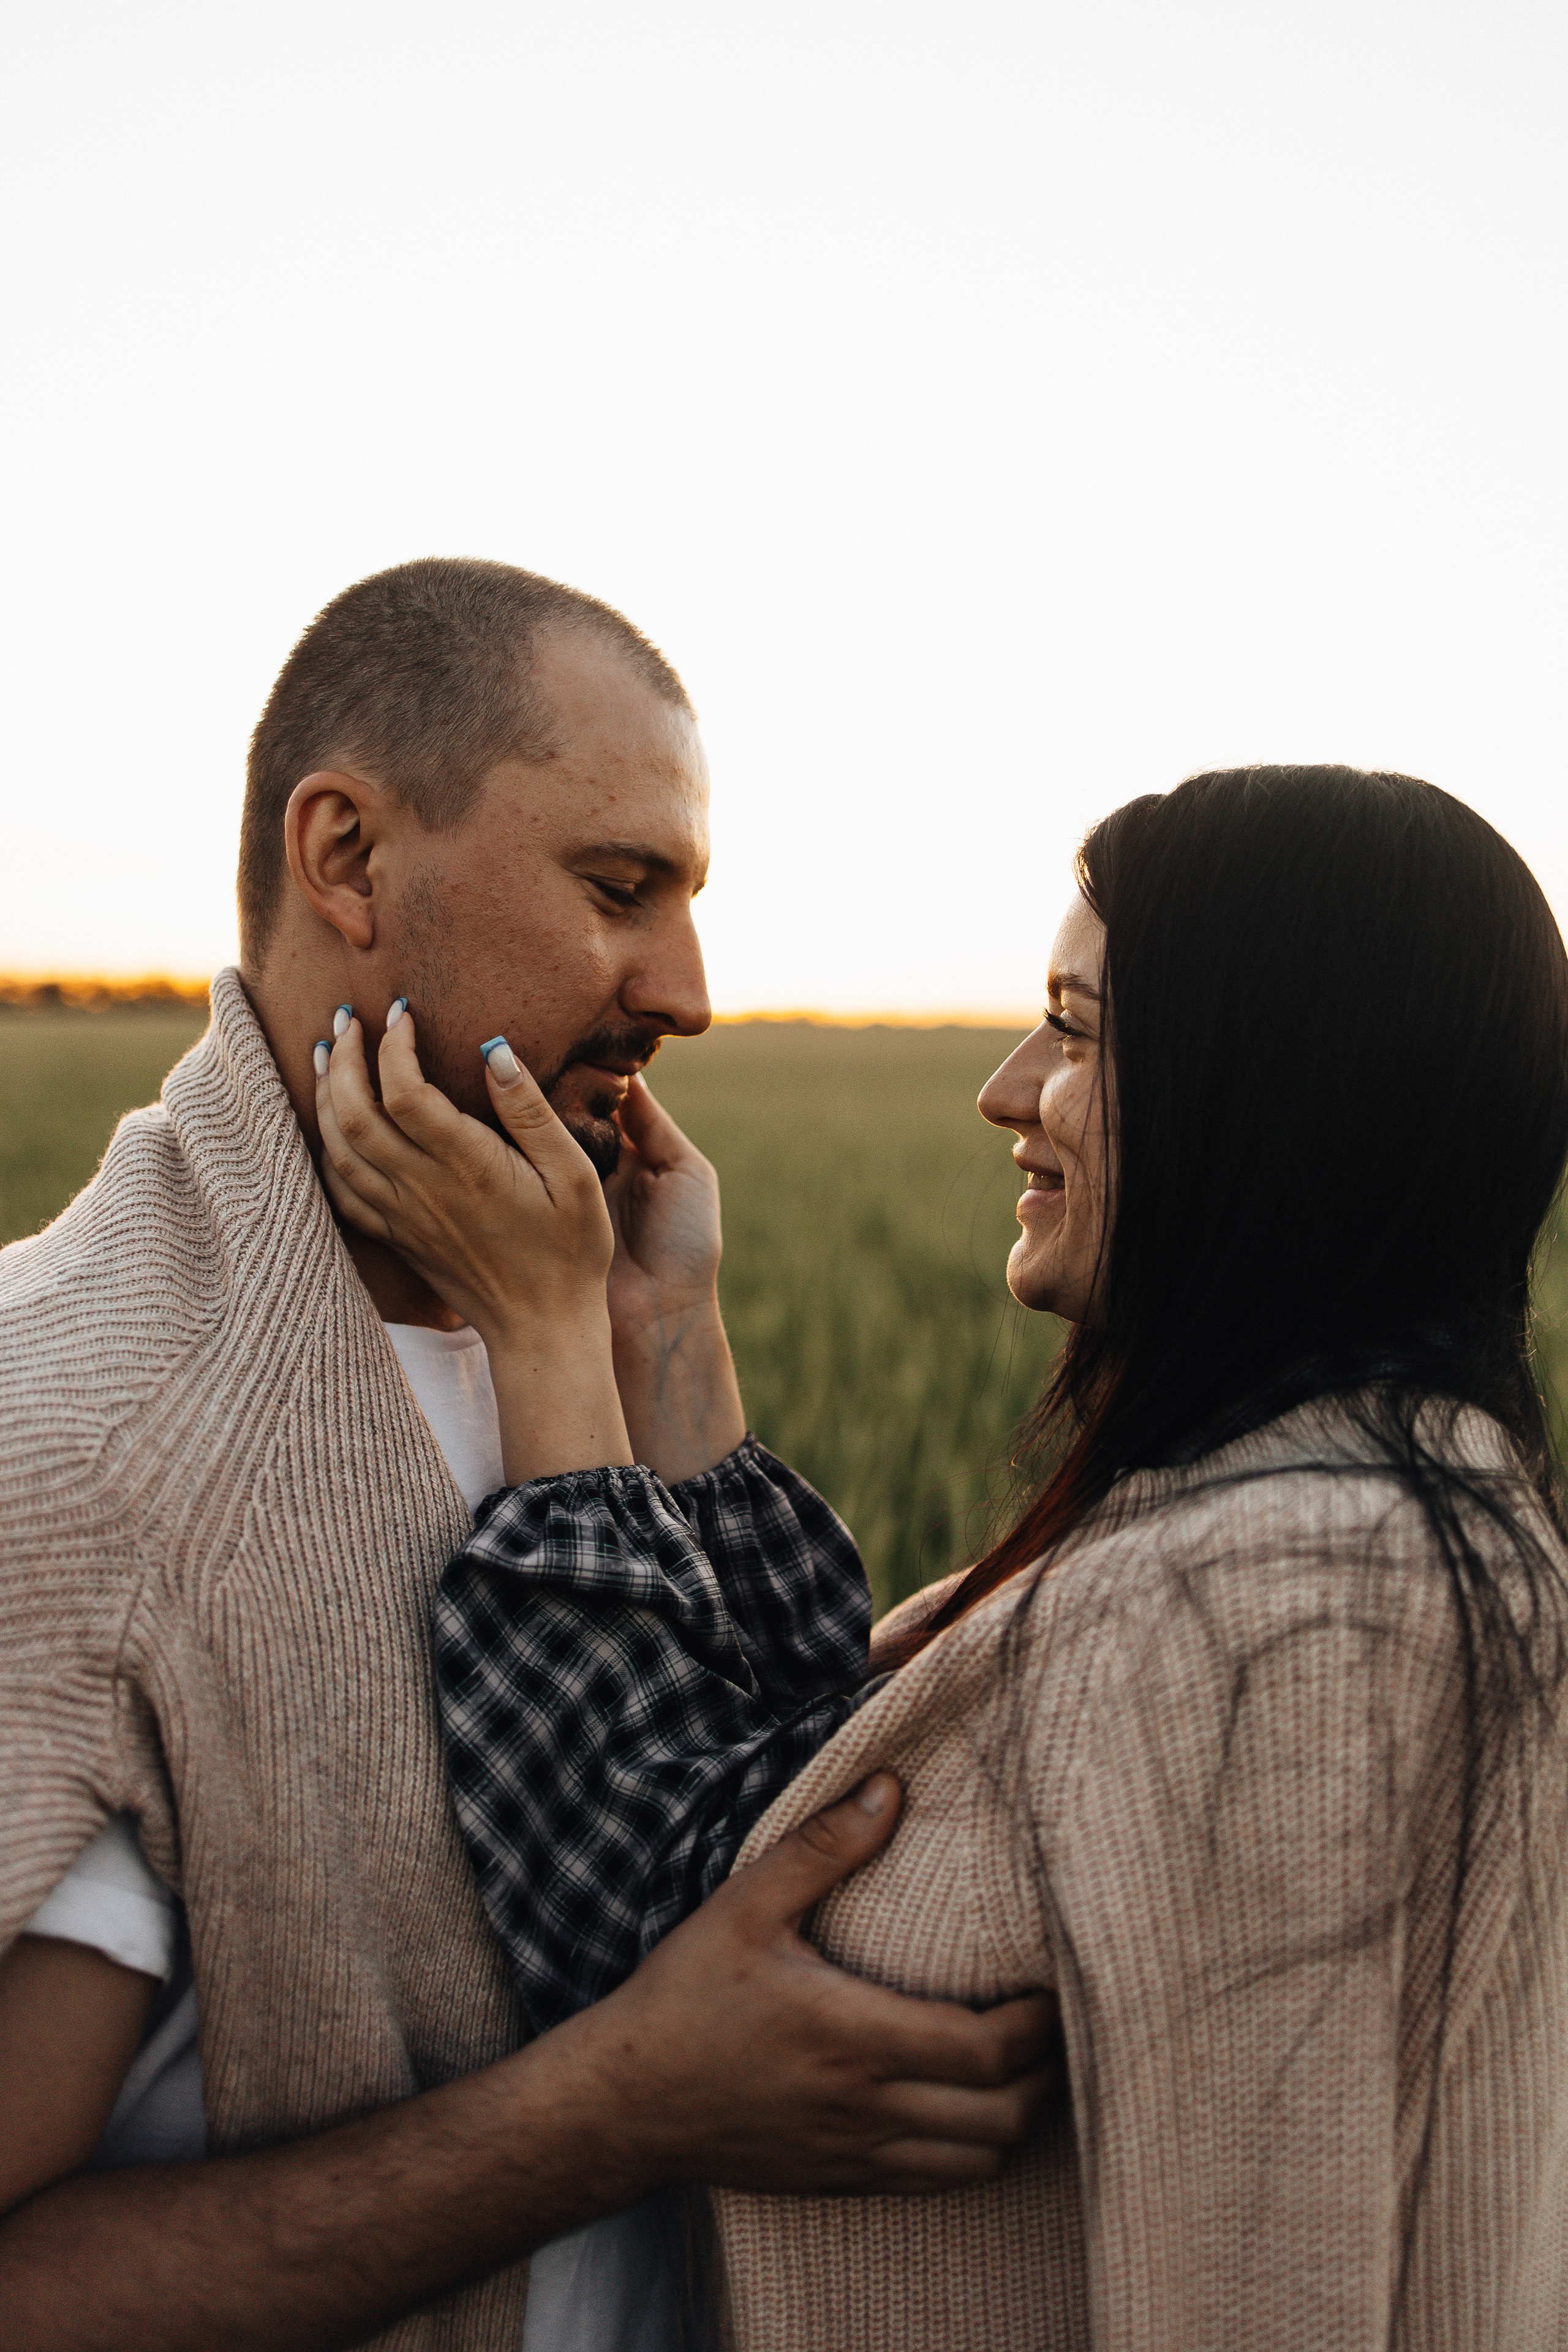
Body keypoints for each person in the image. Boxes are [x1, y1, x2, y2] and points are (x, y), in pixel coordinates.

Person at [318, 764, 1568, 2347]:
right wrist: (664, 1333)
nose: (1005, 1086)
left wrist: (545, 1336)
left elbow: (645, 1933)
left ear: (1275, 1083)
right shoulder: (1361, 1530)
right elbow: (801, 1794)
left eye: (1080, 1026)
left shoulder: (1286, 1622)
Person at [0, 557, 1057, 2352]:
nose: (691, 990)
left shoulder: (589, 1309)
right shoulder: (87, 1439)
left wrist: (662, 1346)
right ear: (346, 860)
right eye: (619, 887)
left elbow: (756, 1826)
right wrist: (616, 2110)